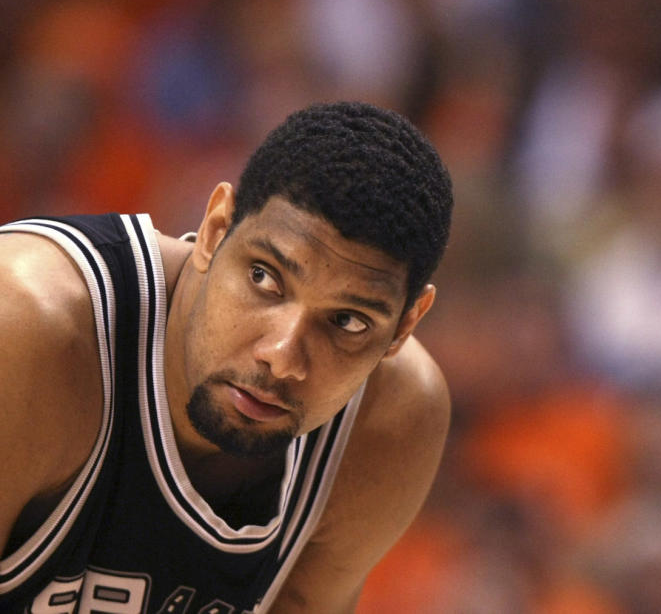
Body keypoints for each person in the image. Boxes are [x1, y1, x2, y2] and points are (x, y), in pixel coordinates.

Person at [0, 101, 454, 613]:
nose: (282, 357)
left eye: (347, 321)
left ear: (405, 326)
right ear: (215, 230)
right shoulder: (26, 327)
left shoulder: (389, 423)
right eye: (265, 278)